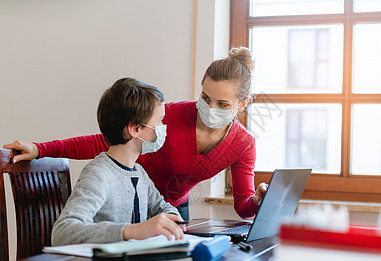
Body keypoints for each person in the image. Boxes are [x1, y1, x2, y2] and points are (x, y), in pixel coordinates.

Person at [4, 47, 267, 221]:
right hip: (129, 199)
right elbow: (104, 142)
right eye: (205, 97)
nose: (209, 109)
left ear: (242, 105)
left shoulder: (243, 145)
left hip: (172, 208)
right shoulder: (169, 115)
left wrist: (258, 200)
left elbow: (244, 206)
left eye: (222, 105)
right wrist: (40, 148)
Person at [51, 78, 185, 246]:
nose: (163, 127)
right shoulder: (99, 174)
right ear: (135, 129)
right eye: (159, 121)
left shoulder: (139, 172)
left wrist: (172, 219)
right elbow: (62, 232)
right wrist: (130, 231)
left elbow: (162, 207)